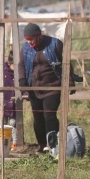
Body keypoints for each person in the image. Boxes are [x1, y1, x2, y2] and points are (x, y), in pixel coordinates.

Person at [18, 23, 63, 151]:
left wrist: (69, 82)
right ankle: (42, 145)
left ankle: (52, 145)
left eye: (31, 39)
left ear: (39, 36)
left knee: (49, 116)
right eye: (27, 39)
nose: (29, 42)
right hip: (34, 89)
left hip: (52, 87)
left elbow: (65, 64)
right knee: (38, 118)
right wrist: (22, 82)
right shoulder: (26, 48)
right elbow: (21, 65)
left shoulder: (54, 44)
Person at [3, 52, 19, 149]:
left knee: (13, 123)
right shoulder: (3, 73)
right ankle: (5, 143)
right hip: (4, 104)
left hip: (14, 104)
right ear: (9, 63)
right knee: (3, 124)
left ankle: (15, 143)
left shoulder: (19, 73)